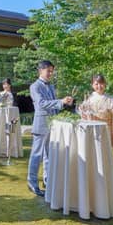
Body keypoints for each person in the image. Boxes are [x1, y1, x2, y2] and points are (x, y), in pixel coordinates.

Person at [27, 60, 73, 196]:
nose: (51, 73)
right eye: (49, 71)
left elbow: (53, 105)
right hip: (41, 124)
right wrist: (60, 102)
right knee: (36, 155)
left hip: (53, 125)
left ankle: (47, 180)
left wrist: (65, 104)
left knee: (49, 155)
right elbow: (41, 104)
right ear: (41, 70)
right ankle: (32, 182)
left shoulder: (51, 86)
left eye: (52, 71)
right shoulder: (34, 86)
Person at [81, 74, 113, 149]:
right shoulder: (89, 98)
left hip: (106, 130)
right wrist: (83, 111)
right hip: (92, 130)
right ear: (92, 85)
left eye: (101, 83)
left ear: (105, 84)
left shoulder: (110, 99)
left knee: (105, 151)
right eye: (96, 84)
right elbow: (83, 113)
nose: (99, 86)